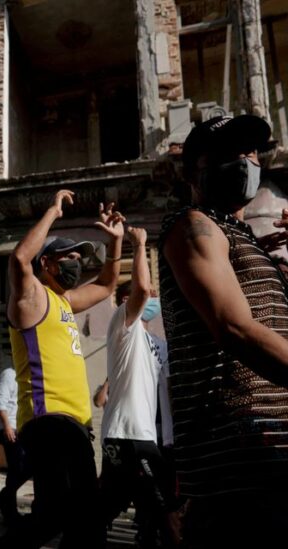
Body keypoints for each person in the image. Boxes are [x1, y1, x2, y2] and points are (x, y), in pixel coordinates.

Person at [159, 114, 288, 546]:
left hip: (273, 455)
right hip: (237, 465)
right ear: (197, 167)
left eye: (251, 153)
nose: (246, 161)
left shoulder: (248, 242)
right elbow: (234, 327)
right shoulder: (192, 226)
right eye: (231, 154)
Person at [0, 189, 124, 548]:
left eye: (79, 258)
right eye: (68, 257)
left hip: (77, 426)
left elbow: (107, 284)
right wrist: (53, 211)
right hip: (48, 422)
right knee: (59, 513)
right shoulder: (32, 297)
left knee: (87, 524)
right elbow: (20, 259)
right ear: (47, 263)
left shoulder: (64, 301)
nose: (76, 264)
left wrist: (115, 244)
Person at [99, 227, 179, 547]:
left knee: (112, 509)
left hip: (145, 437)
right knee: (166, 513)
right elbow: (143, 290)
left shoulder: (156, 343)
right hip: (129, 434)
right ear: (124, 300)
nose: (153, 298)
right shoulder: (123, 325)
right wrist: (140, 244)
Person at [0, 366, 25, 524]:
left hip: (22, 429)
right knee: (16, 469)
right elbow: (0, 403)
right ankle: (9, 509)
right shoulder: (9, 374)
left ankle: (4, 499)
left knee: (19, 469)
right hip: (10, 429)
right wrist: (7, 427)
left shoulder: (26, 374)